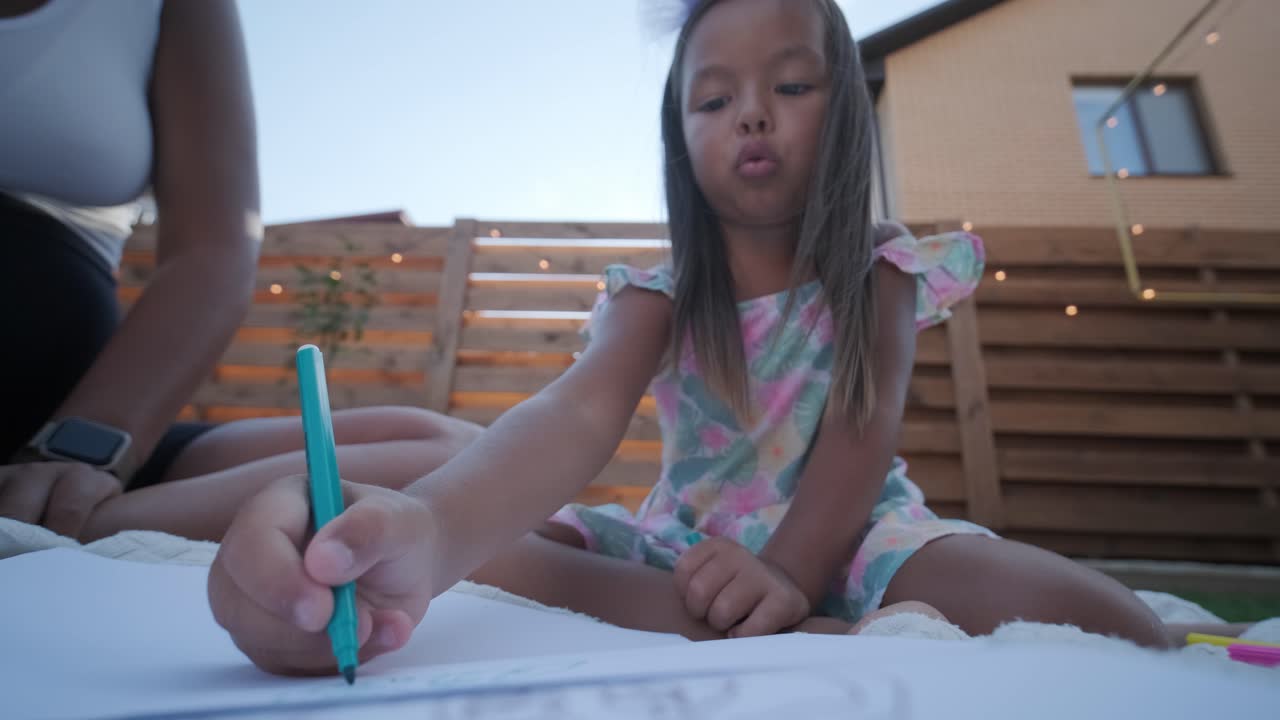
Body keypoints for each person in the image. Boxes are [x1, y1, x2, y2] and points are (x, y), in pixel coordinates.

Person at [206, 0, 1176, 676]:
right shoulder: (660, 292)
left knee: (1113, 623)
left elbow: (862, 420)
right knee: (475, 533)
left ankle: (807, 617)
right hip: (688, 549)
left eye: (790, 85)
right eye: (712, 100)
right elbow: (577, 409)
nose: (749, 111)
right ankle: (304, 524)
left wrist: (792, 574)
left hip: (857, 535)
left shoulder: (880, 267)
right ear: (679, 138)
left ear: (845, 110)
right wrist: (444, 525)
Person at [0, 0, 479, 543]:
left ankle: (56, 522)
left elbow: (213, 252)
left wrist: (81, 454)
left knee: (458, 458)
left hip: (65, 431)